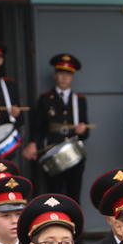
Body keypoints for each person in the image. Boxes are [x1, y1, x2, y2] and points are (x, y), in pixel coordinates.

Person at [24, 53, 89, 202]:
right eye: (61, 73)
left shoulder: (79, 100)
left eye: (68, 74)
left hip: (75, 153)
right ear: (55, 75)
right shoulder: (45, 99)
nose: (64, 77)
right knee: (54, 194)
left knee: (74, 193)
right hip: (52, 152)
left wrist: (83, 130)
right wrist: (34, 143)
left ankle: (75, 225)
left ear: (72, 77)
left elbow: (86, 133)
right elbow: (38, 127)